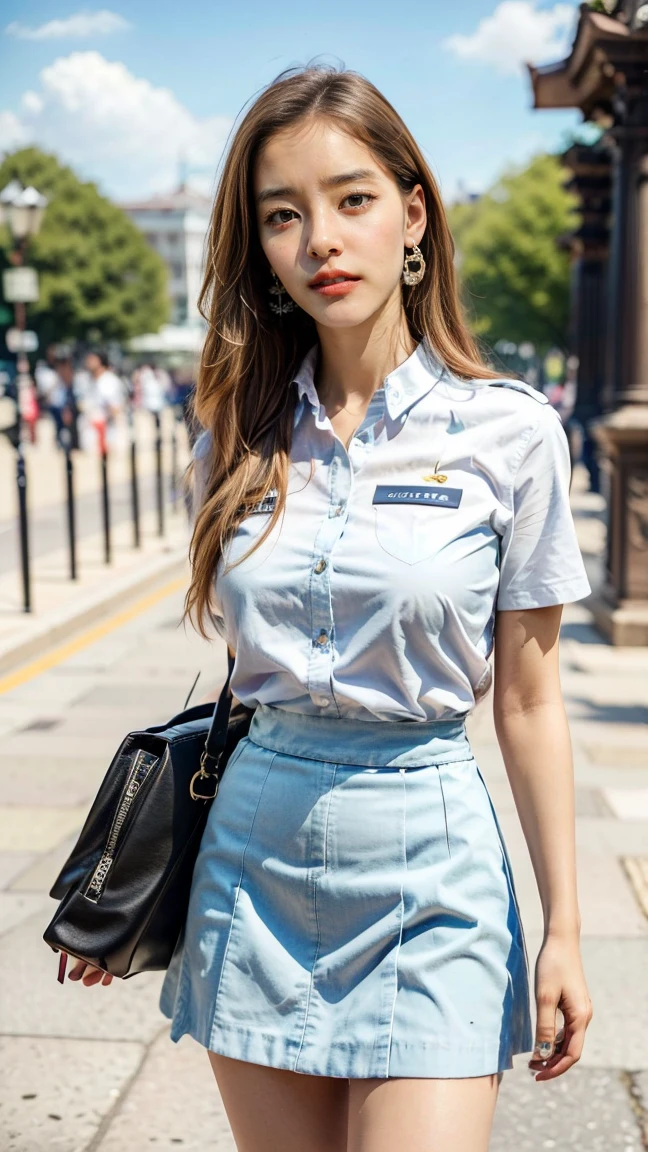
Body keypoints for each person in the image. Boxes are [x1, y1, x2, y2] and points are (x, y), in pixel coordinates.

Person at [63, 66, 593, 1151]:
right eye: (283, 215)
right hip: (251, 863)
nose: (321, 239)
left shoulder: (511, 432)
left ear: (413, 213)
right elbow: (247, 673)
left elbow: (532, 704)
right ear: (257, 249)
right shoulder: (232, 438)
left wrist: (564, 932)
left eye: (352, 199)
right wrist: (130, 873)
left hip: (432, 865)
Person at [80, 349, 125, 450]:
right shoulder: (86, 380)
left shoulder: (110, 381)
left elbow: (116, 407)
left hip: (106, 426)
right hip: (90, 426)